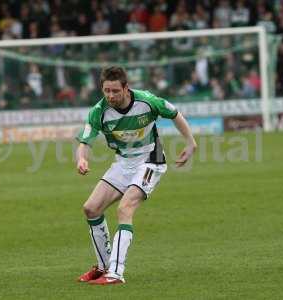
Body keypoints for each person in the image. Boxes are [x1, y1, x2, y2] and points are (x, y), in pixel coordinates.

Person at [75, 66, 197, 285]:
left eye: (114, 91)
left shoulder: (148, 101)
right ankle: (103, 267)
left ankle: (116, 273)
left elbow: (175, 113)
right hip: (123, 162)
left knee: (125, 208)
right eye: (106, 91)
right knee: (91, 208)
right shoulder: (98, 111)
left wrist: (191, 143)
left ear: (126, 88)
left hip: (151, 159)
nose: (110, 96)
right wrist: (81, 158)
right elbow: (85, 142)